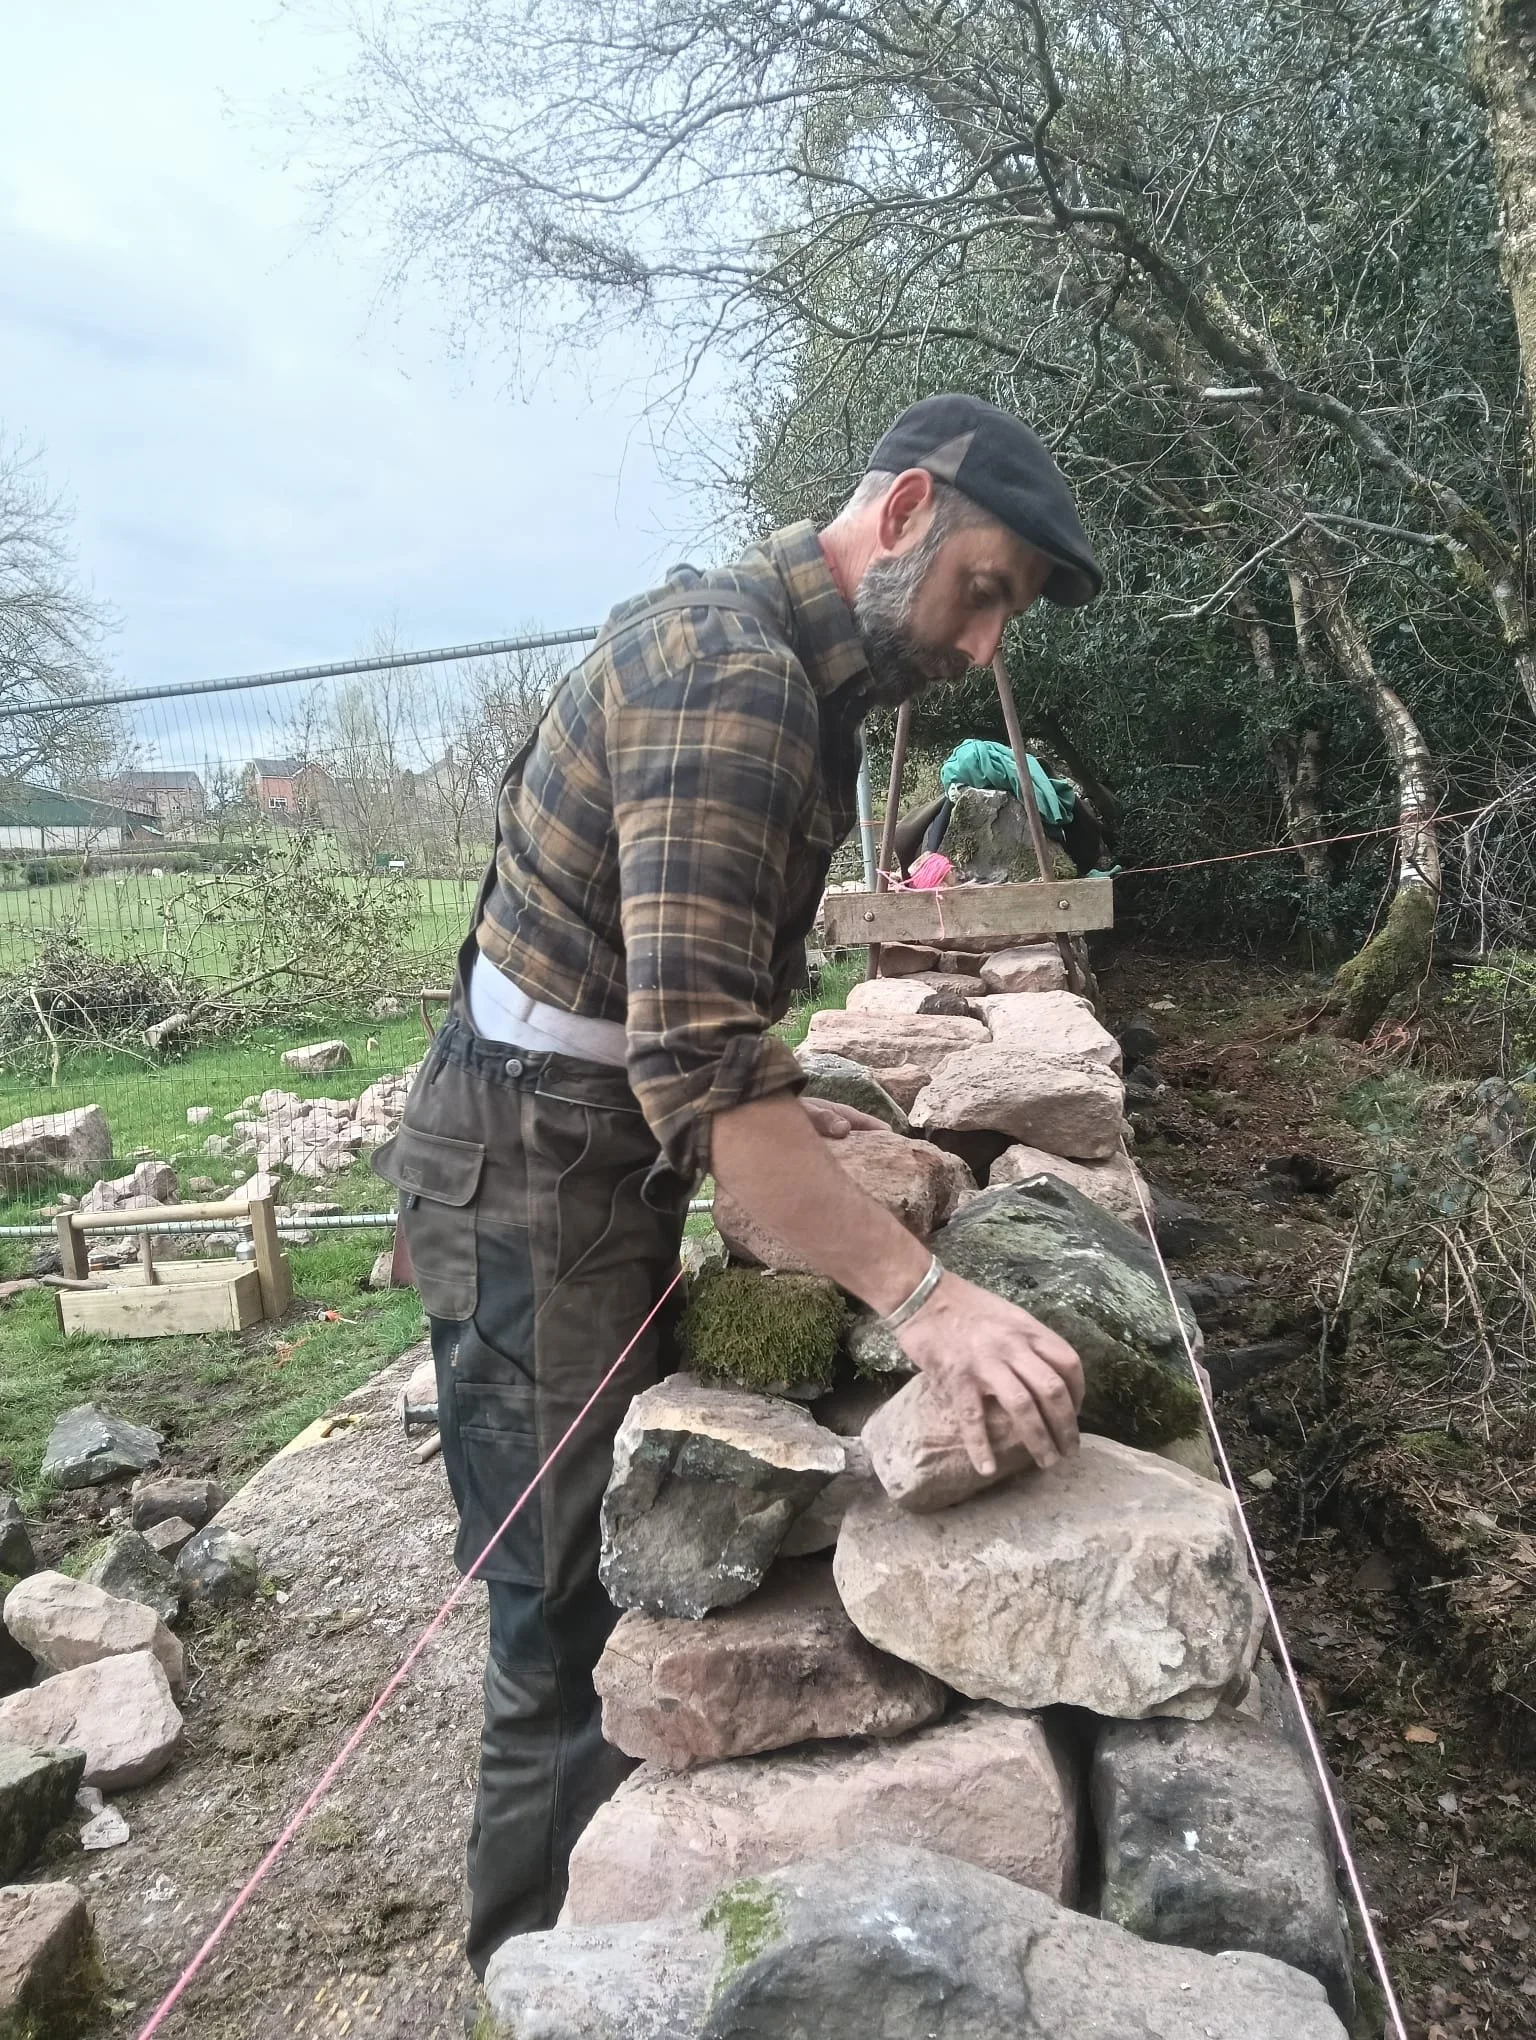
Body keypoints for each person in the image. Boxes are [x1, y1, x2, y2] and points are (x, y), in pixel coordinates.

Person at [372, 392, 1104, 1975]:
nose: (986, 648)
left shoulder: (789, 668)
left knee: (582, 1582)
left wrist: (796, 1107)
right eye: (987, 590)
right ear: (903, 509)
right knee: (556, 1622)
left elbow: (694, 1021)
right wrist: (927, 1295)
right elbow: (702, 1072)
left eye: (1010, 620)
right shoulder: (737, 681)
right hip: (532, 1167)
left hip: (565, 1129)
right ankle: (536, 1981)